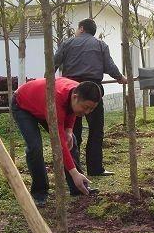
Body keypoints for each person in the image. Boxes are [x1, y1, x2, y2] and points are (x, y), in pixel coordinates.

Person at [11, 77, 101, 207]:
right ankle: (39, 192)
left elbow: (71, 110)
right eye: (86, 107)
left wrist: (69, 131)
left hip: (43, 105)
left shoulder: (78, 90)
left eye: (91, 109)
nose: (87, 112)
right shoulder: (56, 99)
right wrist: (74, 172)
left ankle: (78, 188)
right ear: (75, 97)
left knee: (71, 140)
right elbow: (58, 142)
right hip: (23, 105)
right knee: (35, 147)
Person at [54, 18, 127, 176]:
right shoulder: (101, 45)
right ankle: (95, 168)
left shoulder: (67, 43)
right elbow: (110, 67)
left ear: (81, 28)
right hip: (94, 91)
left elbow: (53, 63)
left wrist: (49, 82)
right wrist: (120, 78)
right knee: (96, 130)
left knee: (72, 131)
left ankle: (74, 168)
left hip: (72, 91)